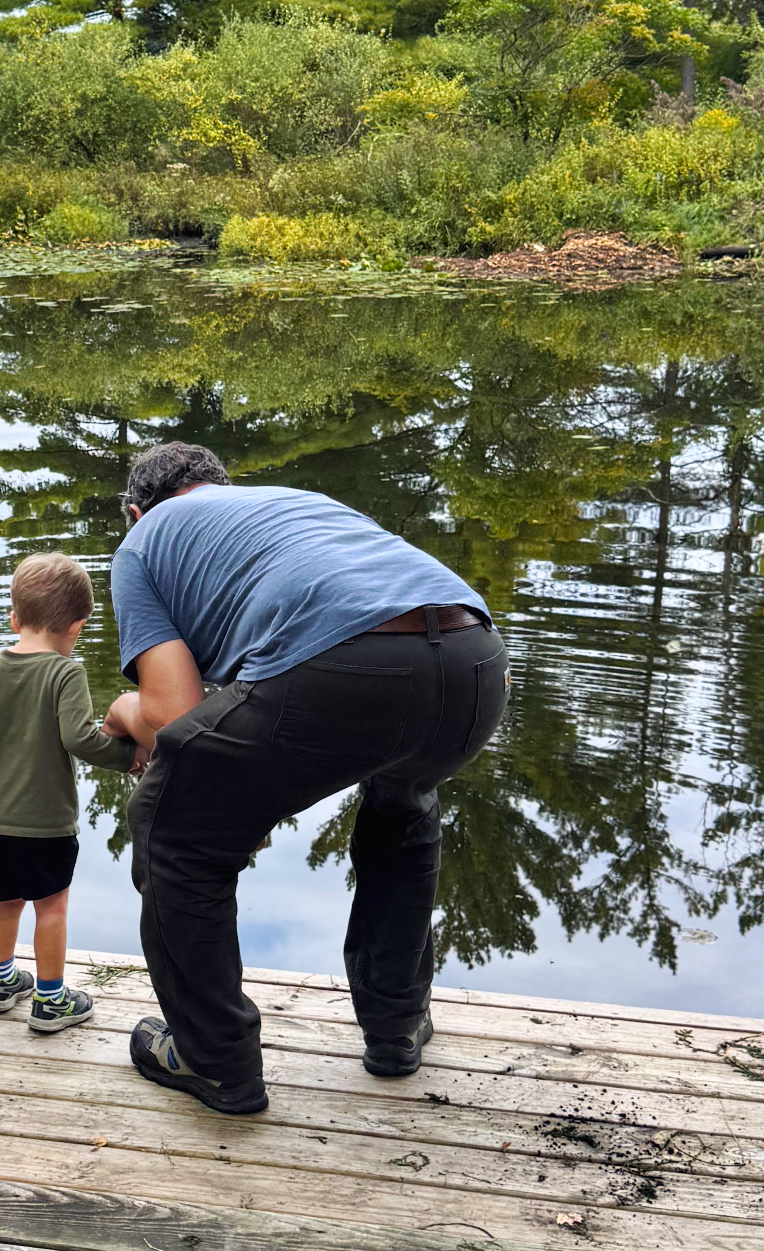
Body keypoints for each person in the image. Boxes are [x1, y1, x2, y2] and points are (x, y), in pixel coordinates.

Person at [103, 442, 507, 1117]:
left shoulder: (144, 542)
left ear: (137, 512)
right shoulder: (297, 506)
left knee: (173, 828)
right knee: (402, 808)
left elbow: (172, 718)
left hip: (350, 666)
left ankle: (214, 1061)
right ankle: (396, 1027)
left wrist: (122, 711)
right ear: (219, 487)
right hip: (474, 662)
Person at [0, 552, 140, 1034]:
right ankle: (52, 1000)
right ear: (77, 626)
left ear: (14, 617)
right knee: (51, 906)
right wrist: (129, 757)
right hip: (47, 821)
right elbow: (78, 737)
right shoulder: (65, 673)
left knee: (4, 901)